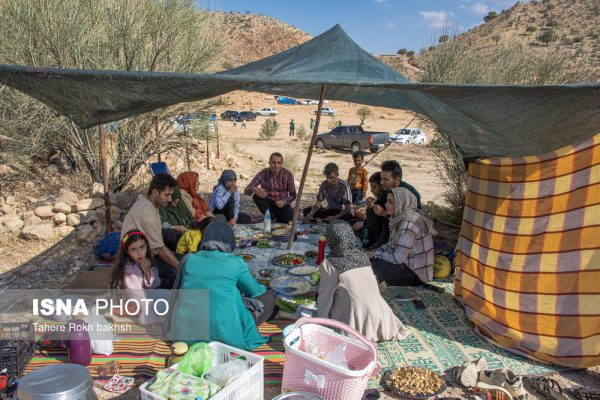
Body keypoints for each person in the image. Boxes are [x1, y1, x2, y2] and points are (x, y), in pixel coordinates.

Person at [169, 220, 277, 350]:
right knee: (269, 297)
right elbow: (255, 291)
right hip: (224, 332)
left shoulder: (189, 259)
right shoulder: (235, 262)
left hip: (185, 332)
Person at [317, 222, 408, 342]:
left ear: (331, 240)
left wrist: (319, 325)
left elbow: (325, 299)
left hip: (355, 325)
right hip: (381, 320)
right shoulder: (362, 256)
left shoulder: (330, 264)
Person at [121, 173, 182, 289]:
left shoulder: (148, 202)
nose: (170, 199)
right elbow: (159, 249)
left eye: (171, 195)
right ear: (155, 192)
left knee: (183, 259)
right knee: (176, 274)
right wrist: (181, 269)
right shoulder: (146, 212)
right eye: (167, 195)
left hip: (147, 248)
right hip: (135, 257)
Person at [371, 187, 435, 286]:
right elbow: (391, 246)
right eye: (387, 201)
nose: (386, 204)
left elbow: (398, 258)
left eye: (390, 202)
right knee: (371, 263)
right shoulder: (399, 218)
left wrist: (374, 254)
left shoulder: (409, 224)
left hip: (417, 274)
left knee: (373, 271)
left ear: (402, 203)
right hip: (406, 264)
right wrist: (373, 253)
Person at [366, 160, 421, 250]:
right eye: (381, 178)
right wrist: (372, 203)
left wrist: (384, 213)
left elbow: (410, 218)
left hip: (408, 227)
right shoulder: (387, 189)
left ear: (397, 180)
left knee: (387, 218)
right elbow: (379, 203)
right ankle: (379, 241)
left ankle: (384, 245)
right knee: (370, 211)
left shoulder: (408, 193)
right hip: (392, 221)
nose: (381, 182)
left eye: (386, 179)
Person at [244, 152, 296, 223]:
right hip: (268, 203)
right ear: (269, 163)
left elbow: (293, 194)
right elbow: (246, 190)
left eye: (279, 163)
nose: (276, 166)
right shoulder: (263, 173)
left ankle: (276, 218)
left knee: (289, 213)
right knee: (256, 197)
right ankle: (271, 217)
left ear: (282, 164)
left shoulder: (287, 174)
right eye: (273, 163)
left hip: (282, 204)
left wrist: (284, 202)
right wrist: (254, 189)